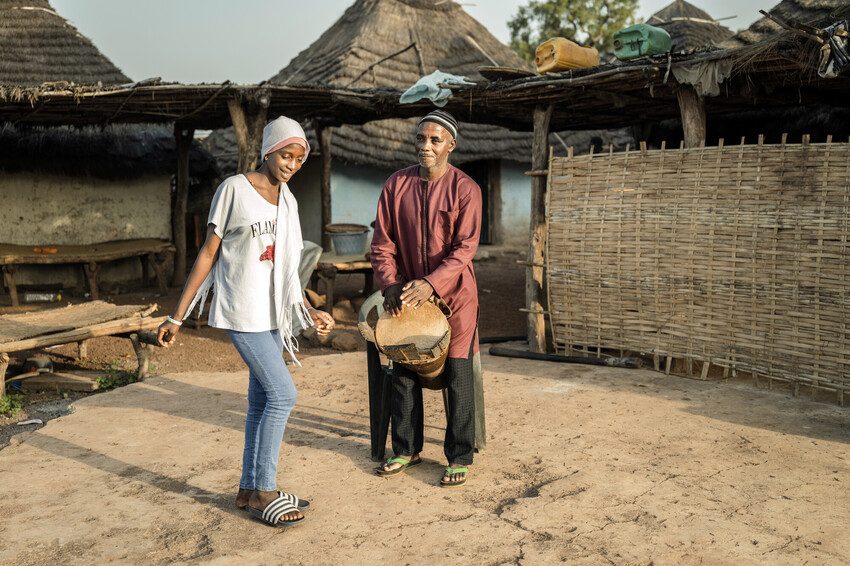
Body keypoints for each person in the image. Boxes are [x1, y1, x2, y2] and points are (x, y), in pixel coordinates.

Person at [157, 116, 335, 527]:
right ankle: (265, 492)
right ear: (268, 151)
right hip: (243, 314)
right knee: (283, 396)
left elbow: (288, 270)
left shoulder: (288, 201)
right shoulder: (234, 189)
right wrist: (176, 315)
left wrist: (308, 309)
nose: (291, 164)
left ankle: (248, 487)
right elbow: (207, 252)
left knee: (260, 401)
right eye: (285, 155)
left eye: (299, 158)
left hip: (274, 317)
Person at [370, 110, 482, 487]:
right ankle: (406, 449)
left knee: (457, 373)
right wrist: (390, 285)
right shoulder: (395, 185)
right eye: (421, 139)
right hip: (407, 295)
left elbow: (465, 248)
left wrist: (431, 284)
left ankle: (460, 455)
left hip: (455, 296)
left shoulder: (466, 189)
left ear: (451, 144)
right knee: (403, 367)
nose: (426, 146)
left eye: (435, 140)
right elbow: (382, 244)